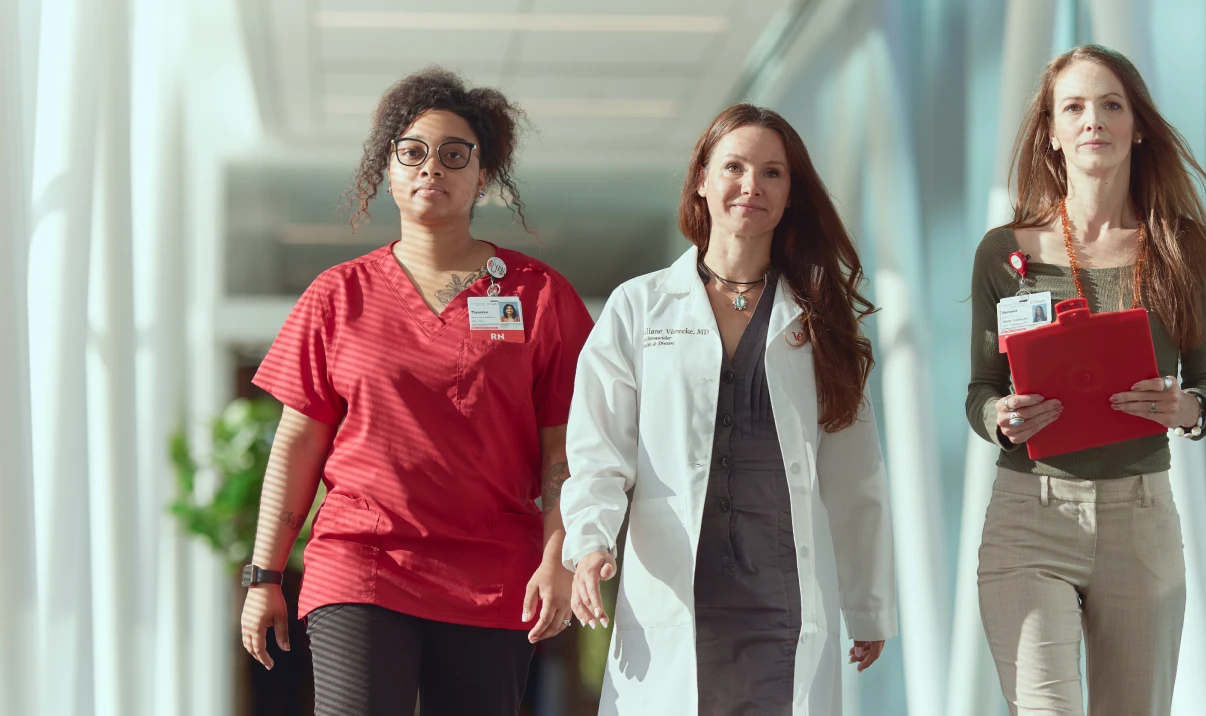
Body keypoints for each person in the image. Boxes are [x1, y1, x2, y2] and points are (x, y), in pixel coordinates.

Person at [239, 67, 594, 716]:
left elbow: (564, 451)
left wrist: (559, 557)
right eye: (413, 152)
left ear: (484, 176)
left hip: (492, 573)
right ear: (388, 171)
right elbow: (297, 443)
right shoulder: (337, 296)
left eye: (456, 155)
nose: (433, 168)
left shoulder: (538, 296)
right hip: (362, 559)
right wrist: (264, 575)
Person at [561, 103, 897, 716]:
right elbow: (598, 449)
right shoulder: (640, 307)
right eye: (734, 167)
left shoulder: (820, 320)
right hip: (679, 584)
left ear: (792, 194)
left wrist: (868, 602)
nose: (751, 186)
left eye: (773, 173)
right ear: (701, 179)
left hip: (784, 598)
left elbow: (856, 472)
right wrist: (589, 542)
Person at [966, 45, 1206, 715]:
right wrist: (1001, 414)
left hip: (1139, 520)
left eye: (1112, 105)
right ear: (1051, 133)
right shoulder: (1006, 253)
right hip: (1031, 516)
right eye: (1075, 108)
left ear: (1138, 126)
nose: (1094, 121)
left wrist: (1186, 407)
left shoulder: (1183, 247)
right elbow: (979, 391)